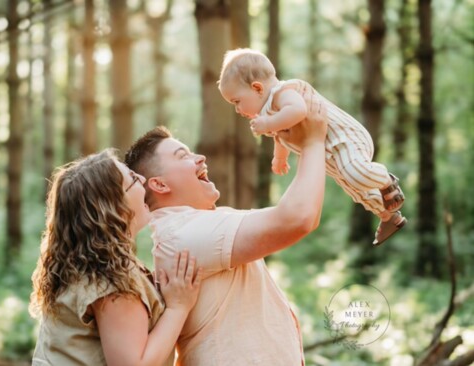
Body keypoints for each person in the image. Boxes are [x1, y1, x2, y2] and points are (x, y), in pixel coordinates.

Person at [124, 95, 327, 365]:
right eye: (183, 156)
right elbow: (297, 218)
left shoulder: (202, 223)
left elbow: (295, 215)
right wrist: (313, 142)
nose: (200, 158)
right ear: (159, 185)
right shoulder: (184, 234)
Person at [29, 149, 202, 366]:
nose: (142, 178)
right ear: (115, 207)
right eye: (132, 179)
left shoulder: (80, 268)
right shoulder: (110, 277)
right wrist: (178, 307)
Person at [218, 48, 406, 246]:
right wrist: (279, 157)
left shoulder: (283, 92)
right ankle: (388, 216)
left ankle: (386, 180)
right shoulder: (270, 111)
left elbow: (297, 111)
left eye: (236, 102)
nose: (237, 110)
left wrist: (268, 124)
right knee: (358, 191)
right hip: (330, 157)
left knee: (355, 173)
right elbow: (280, 137)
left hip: (344, 139)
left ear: (257, 88)